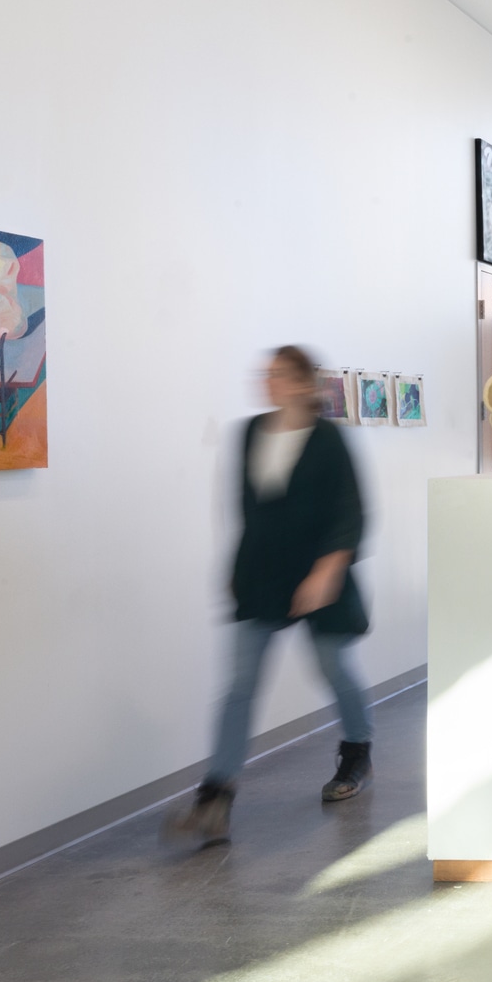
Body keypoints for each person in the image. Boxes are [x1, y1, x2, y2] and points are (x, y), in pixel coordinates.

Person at [165, 345, 373, 846]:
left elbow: (351, 513)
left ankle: (356, 750)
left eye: (280, 374)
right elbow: (245, 510)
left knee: (331, 667)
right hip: (261, 577)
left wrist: (326, 571)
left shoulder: (330, 441)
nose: (269, 381)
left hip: (320, 578)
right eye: (266, 374)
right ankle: (214, 799)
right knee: (239, 686)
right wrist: (237, 568)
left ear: (304, 384)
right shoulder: (249, 433)